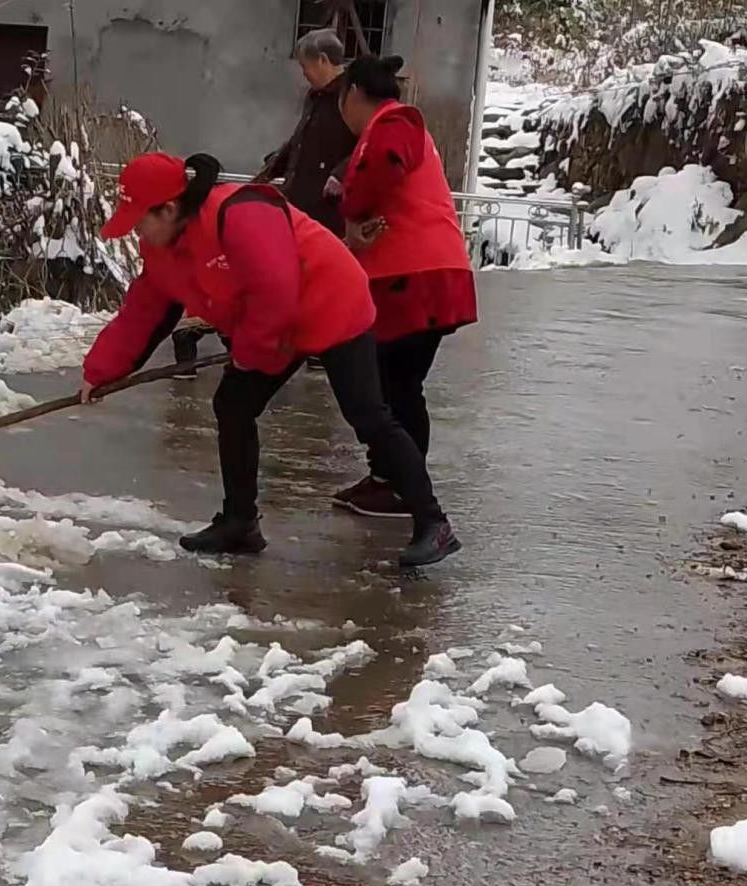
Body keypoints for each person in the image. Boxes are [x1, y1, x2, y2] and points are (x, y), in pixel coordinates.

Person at [81, 152, 461, 568]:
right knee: (233, 404)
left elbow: (275, 291)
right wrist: (99, 372)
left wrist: (251, 352)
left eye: (139, 218)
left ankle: (433, 523)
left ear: (169, 208)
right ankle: (240, 522)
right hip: (275, 326)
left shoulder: (240, 214)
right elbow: (143, 314)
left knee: (367, 415)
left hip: (330, 302)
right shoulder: (163, 249)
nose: (135, 229)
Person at [331, 54, 478, 519]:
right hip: (418, 276)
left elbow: (380, 171)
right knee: (395, 385)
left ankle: (398, 483)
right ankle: (389, 477)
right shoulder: (397, 126)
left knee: (391, 385)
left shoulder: (394, 123)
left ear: (353, 93)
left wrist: (353, 209)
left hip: (414, 278)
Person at [260, 28, 360, 373]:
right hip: (299, 197)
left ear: (323, 60)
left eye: (306, 66)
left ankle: (325, 344)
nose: (304, 73)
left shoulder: (351, 95)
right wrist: (275, 165)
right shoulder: (315, 97)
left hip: (329, 205)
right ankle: (298, 338)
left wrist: (342, 173)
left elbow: (370, 142)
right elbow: (300, 139)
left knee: (324, 275)